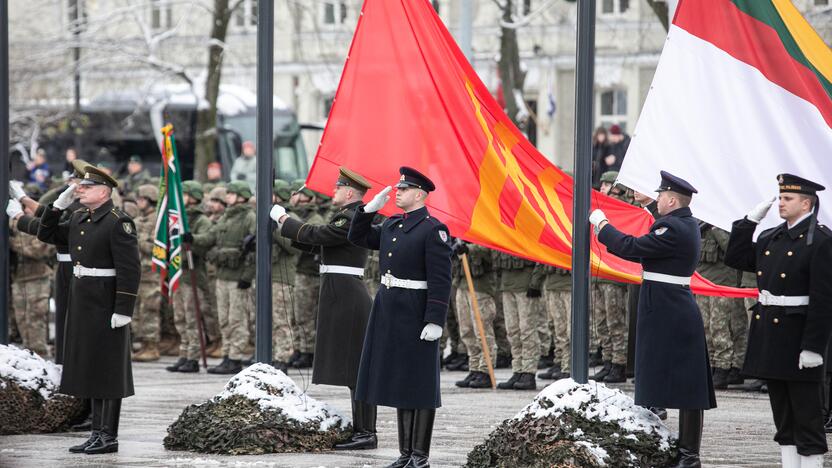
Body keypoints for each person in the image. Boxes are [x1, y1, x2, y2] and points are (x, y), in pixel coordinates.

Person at [590, 170, 716, 468]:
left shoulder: (674, 228)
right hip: (664, 304)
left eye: (660, 195)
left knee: (687, 386)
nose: (657, 199)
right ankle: (678, 449)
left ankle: (689, 455)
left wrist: (603, 225)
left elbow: (632, 248)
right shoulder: (677, 223)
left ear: (672, 200)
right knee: (659, 376)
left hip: (669, 308)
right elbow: (647, 239)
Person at [724, 174, 832, 468]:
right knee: (783, 418)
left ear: (806, 203)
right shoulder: (772, 236)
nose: (781, 203)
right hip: (771, 337)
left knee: (807, 417)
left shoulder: (821, 241)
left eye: (788, 199)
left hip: (799, 338)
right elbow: (736, 258)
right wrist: (748, 222)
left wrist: (813, 347)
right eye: (781, 198)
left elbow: (823, 300)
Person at [348, 166, 453, 468]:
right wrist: (368, 210)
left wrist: (435, 319)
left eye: (403, 189)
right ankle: (405, 453)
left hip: (416, 309)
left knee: (419, 382)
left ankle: (419, 456)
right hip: (389, 307)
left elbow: (441, 279)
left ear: (419, 194)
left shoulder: (433, 229)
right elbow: (358, 237)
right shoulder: (394, 225)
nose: (397, 192)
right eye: (398, 188)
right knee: (399, 381)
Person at [271, 167, 377, 450]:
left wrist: (284, 218)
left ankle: (367, 432)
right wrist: (290, 229)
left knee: (356, 367)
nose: (333, 191)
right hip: (338, 290)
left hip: (347, 293)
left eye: (338, 188)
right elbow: (321, 244)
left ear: (350, 192)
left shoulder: (352, 216)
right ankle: (362, 429)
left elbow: (320, 234)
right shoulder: (348, 215)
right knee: (351, 366)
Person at [38, 164, 141, 454]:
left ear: (104, 192)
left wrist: (123, 308)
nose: (79, 190)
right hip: (82, 300)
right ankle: (96, 432)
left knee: (108, 368)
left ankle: (109, 435)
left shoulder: (118, 221)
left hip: (106, 300)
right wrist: (58, 205)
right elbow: (46, 234)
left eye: (86, 187)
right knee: (91, 367)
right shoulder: (80, 216)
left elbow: (130, 269)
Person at [185, 181, 255, 374]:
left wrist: (247, 276)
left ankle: (235, 357)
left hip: (238, 277)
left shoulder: (249, 217)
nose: (228, 197)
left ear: (241, 196)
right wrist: (193, 238)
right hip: (223, 276)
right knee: (223, 318)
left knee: (237, 319)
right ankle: (226, 355)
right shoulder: (226, 217)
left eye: (232, 194)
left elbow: (255, 250)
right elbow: (211, 237)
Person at [166, 181, 213, 373]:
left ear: (193, 196)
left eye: (184, 194)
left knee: (192, 317)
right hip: (179, 273)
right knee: (180, 317)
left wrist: (192, 239)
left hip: (193, 272)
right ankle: (183, 353)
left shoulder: (201, 220)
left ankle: (193, 357)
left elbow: (208, 239)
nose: (181, 198)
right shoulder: (176, 218)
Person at [695, 223, 748, 389]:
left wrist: (717, 228)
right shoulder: (699, 222)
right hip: (704, 280)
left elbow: (733, 250)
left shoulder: (724, 222)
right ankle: (711, 364)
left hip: (724, 282)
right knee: (705, 326)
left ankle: (724, 366)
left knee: (720, 326)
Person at [451, 241, 497, 390]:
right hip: (462, 283)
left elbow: (492, 250)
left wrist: (470, 249)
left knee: (482, 330)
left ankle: (485, 369)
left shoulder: (486, 225)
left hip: (480, 286)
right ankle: (474, 367)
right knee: (466, 330)